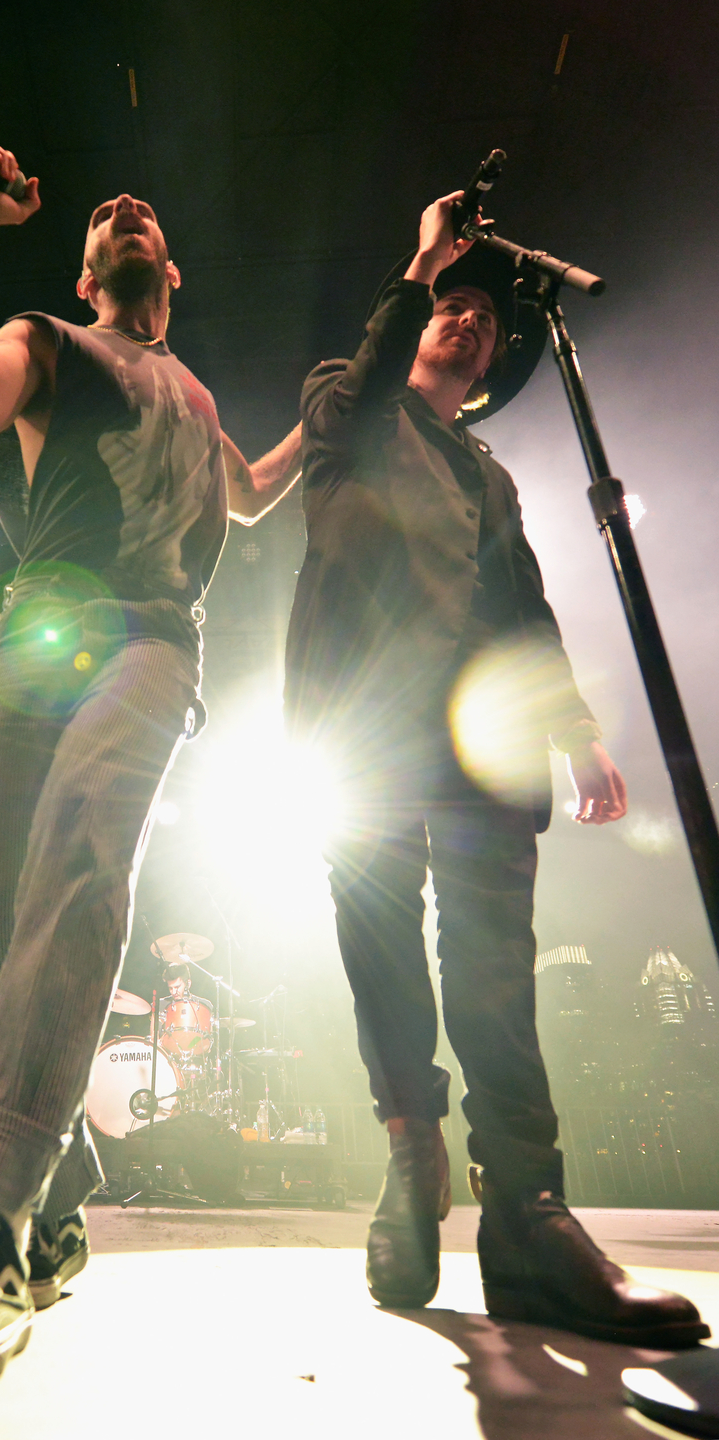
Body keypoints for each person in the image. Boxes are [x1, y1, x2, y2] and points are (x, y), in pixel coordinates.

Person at [0, 138, 301, 1399]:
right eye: (105, 215)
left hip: (153, 643)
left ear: (169, 269)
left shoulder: (197, 399)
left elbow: (250, 497)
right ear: (89, 268)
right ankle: (65, 1184)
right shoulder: (52, 339)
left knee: (85, 865)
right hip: (45, 629)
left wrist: (335, 413)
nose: (125, 207)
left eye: (142, 211)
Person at [283, 189, 708, 1346]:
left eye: (481, 315)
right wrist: (421, 261)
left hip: (480, 739)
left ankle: (525, 1210)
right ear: (416, 321)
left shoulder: (490, 476)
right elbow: (360, 389)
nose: (465, 320)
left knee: (492, 962)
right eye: (447, 309)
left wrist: (573, 729)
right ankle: (411, 1149)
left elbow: (524, 608)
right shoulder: (344, 398)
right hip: (361, 722)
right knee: (377, 939)